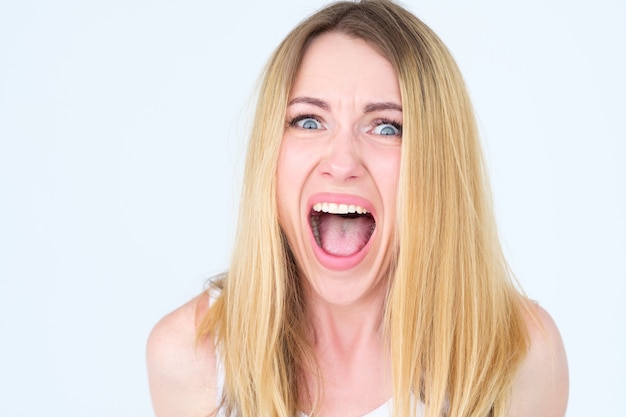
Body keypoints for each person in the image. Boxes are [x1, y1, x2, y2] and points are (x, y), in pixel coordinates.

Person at [146, 1, 569, 416]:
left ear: (437, 165)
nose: (342, 163)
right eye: (309, 121)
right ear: (269, 158)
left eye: (387, 127)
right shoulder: (191, 357)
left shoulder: (521, 356)